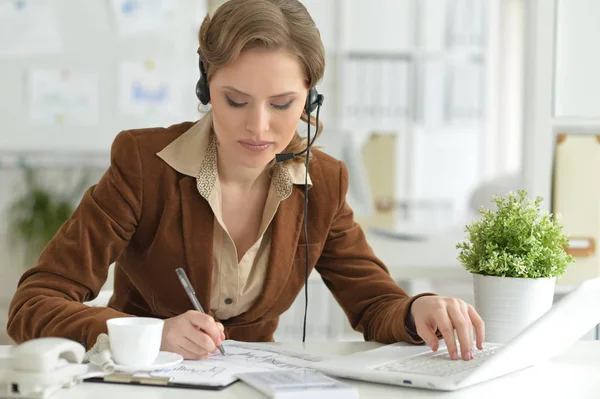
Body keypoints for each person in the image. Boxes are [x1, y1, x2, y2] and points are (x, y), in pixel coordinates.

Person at [7, 0, 484, 362]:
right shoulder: (143, 165)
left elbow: (376, 303)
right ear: (205, 88)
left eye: (281, 104)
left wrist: (417, 309)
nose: (258, 127)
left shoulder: (325, 183)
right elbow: (32, 306)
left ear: (310, 100)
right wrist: (152, 333)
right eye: (235, 101)